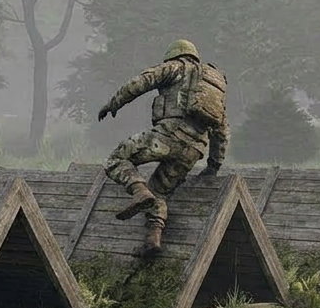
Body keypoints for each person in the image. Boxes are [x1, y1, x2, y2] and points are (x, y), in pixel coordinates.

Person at [97, 39, 229, 258]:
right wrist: (214, 164)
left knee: (116, 159)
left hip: (168, 135)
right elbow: (222, 129)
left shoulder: (176, 67)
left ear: (173, 55)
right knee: (159, 191)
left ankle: (139, 192)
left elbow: (142, 81)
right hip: (193, 150)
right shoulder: (212, 89)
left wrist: (114, 103)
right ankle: (153, 240)